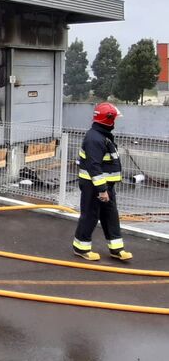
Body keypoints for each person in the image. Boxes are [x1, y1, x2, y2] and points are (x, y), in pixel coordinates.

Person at [72, 102, 133, 262]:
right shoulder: (95, 139)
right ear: (108, 120)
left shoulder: (102, 135)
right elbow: (94, 166)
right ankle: (81, 248)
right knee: (90, 216)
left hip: (104, 185)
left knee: (110, 215)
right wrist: (102, 190)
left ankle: (116, 249)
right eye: (114, 119)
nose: (115, 122)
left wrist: (106, 188)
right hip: (94, 185)